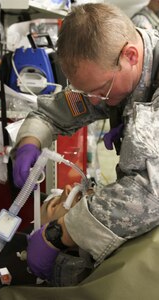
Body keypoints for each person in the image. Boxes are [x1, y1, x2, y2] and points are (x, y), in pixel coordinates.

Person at [11, 3, 159, 282]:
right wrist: (30, 141)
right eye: (86, 91)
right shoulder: (108, 75)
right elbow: (50, 112)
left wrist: (60, 233)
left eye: (100, 91)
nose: (92, 102)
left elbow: (148, 195)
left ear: (130, 55)